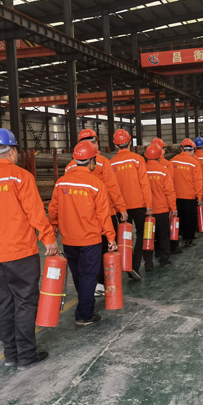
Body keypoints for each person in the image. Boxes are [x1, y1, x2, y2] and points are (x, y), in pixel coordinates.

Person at [0, 128, 57, 370]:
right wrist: (48, 238)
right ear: (12, 151)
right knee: (25, 301)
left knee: (3, 303)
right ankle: (26, 355)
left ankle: (10, 354)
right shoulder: (20, 177)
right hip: (20, 253)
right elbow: (35, 211)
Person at [48, 140, 117, 326]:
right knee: (88, 275)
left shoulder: (61, 182)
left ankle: (84, 306)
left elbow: (53, 208)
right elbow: (104, 215)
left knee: (78, 274)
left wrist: (54, 226)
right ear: (92, 160)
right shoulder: (96, 184)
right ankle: (85, 314)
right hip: (90, 240)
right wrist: (111, 237)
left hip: (68, 239)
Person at [64, 129, 128, 297]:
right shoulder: (102, 162)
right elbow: (113, 187)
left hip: (78, 218)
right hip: (103, 213)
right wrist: (121, 208)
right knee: (103, 250)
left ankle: (89, 286)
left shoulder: (70, 166)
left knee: (82, 254)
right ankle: (101, 282)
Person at [109, 129, 152, 279]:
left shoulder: (111, 163)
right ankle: (134, 265)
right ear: (130, 142)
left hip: (120, 207)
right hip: (138, 204)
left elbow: (110, 188)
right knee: (141, 234)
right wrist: (149, 205)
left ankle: (126, 264)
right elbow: (144, 184)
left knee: (124, 237)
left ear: (115, 145)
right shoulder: (138, 159)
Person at [144, 144, 178, 267]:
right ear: (159, 156)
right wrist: (173, 208)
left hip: (147, 210)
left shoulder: (141, 170)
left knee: (148, 236)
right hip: (162, 209)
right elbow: (169, 191)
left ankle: (148, 263)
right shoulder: (163, 171)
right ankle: (164, 259)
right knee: (163, 235)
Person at [170, 138, 203, 248]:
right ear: (193, 150)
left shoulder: (173, 161)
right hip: (189, 196)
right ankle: (189, 239)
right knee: (190, 218)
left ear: (182, 149)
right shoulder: (194, 163)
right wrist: (199, 196)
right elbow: (198, 181)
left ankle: (177, 236)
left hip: (176, 196)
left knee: (179, 217)